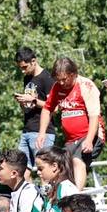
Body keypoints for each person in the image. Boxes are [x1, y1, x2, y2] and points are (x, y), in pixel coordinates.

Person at [37, 57, 102, 189]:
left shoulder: (86, 85)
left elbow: (94, 115)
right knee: (63, 168)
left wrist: (89, 140)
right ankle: (56, 196)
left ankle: (75, 195)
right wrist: (42, 133)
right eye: (58, 79)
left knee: (78, 161)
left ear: (73, 74)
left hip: (91, 134)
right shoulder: (57, 87)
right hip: (71, 140)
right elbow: (47, 109)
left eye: (64, 79)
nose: (61, 83)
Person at [14, 46, 55, 168]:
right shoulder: (27, 78)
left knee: (44, 168)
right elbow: (29, 106)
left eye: (24, 67)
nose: (22, 71)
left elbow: (55, 107)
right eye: (20, 68)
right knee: (21, 169)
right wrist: (23, 102)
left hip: (43, 132)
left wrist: (33, 100)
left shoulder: (47, 78)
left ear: (33, 61)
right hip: (27, 130)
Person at [30, 147, 78, 212]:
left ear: (54, 167)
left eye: (41, 168)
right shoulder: (50, 188)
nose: (38, 172)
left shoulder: (67, 188)